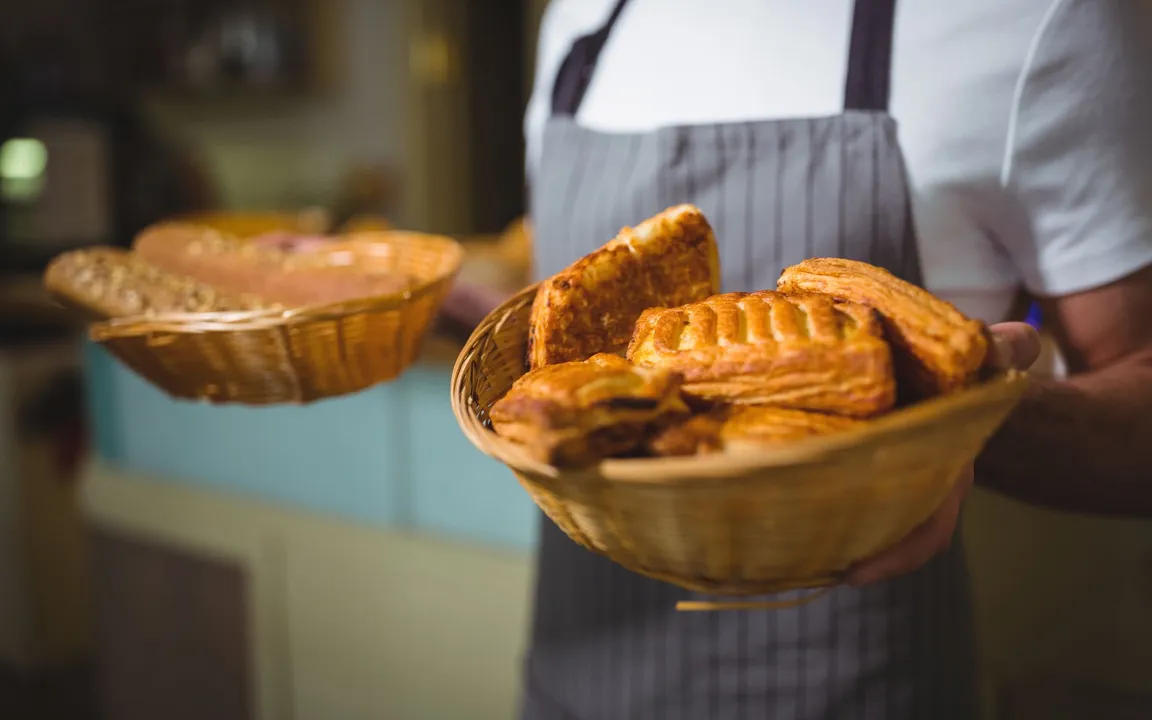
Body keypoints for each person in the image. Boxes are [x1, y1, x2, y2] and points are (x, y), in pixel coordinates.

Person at [443, 0, 1152, 717]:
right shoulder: (581, 18)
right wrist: (450, 307)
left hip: (858, 685)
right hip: (580, 674)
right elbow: (563, 312)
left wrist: (962, 420)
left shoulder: (1034, 17)